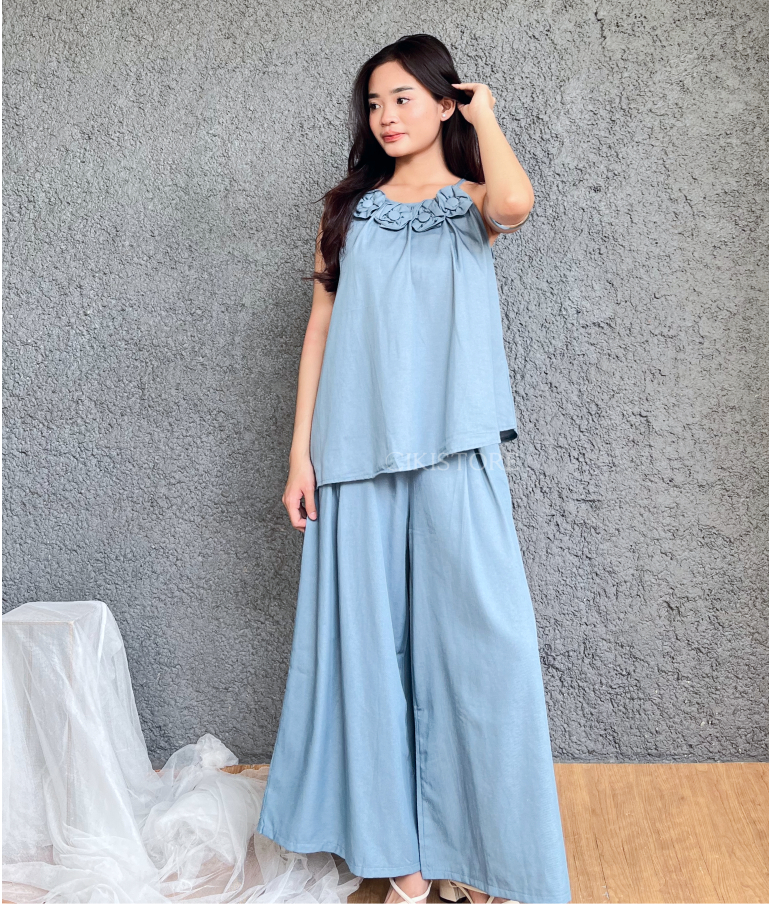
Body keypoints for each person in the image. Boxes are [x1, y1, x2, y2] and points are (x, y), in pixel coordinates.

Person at [255, 34, 572, 904]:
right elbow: (319, 333)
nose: (385, 116)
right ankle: (403, 861)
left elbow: (517, 201)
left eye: (403, 98)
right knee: (367, 654)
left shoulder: (471, 203)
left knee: (483, 646)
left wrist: (487, 114)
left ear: (443, 103)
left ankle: (483, 852)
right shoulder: (349, 212)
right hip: (352, 453)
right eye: (373, 103)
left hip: (452, 445)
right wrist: (300, 455)